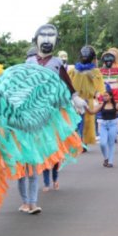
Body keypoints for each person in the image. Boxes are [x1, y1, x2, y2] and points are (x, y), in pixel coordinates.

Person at [24, 24, 86, 211]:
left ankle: (50, 177)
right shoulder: (28, 62)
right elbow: (20, 83)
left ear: (56, 41)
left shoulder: (57, 63)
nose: (47, 39)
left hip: (51, 111)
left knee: (51, 147)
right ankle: (31, 194)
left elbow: (67, 83)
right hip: (31, 111)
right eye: (43, 35)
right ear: (36, 39)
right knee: (34, 151)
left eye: (51, 36)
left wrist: (75, 98)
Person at [85, 88, 118, 167]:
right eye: (104, 96)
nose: (104, 97)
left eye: (106, 96)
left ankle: (110, 161)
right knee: (102, 143)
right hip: (103, 125)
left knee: (111, 144)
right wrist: (85, 106)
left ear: (110, 96)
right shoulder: (101, 105)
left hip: (113, 125)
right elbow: (92, 112)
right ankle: (106, 158)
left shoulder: (116, 105)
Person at [70, 45, 105, 147]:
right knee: (74, 122)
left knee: (86, 123)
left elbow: (100, 86)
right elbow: (67, 82)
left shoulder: (95, 71)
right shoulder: (74, 70)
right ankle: (76, 142)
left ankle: (83, 143)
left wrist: (101, 97)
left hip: (87, 100)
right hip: (75, 99)